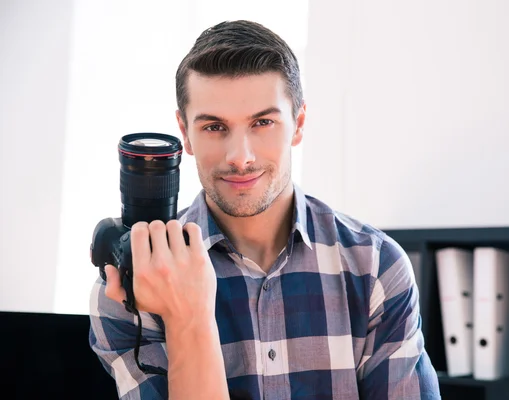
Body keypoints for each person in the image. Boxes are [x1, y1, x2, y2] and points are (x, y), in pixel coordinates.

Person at [89, 20, 441, 400]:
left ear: (298, 124)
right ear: (185, 131)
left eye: (262, 122)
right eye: (214, 127)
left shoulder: (375, 266)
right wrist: (187, 318)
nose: (240, 158)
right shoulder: (135, 288)